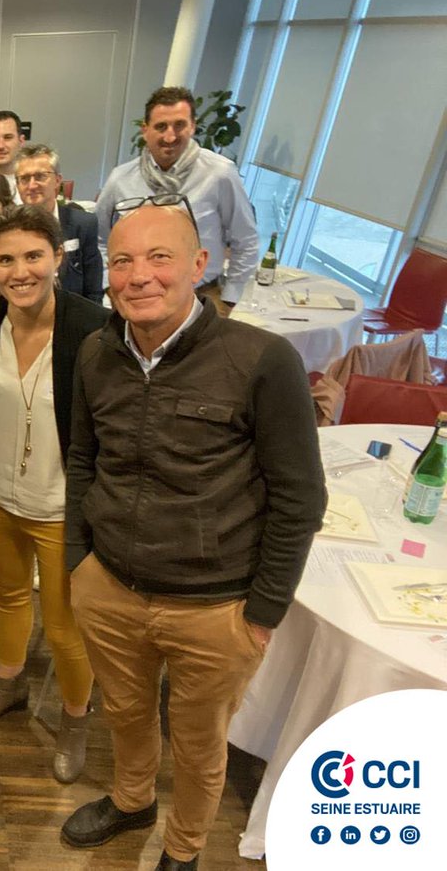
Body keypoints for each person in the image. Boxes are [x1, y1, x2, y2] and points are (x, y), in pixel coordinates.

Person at [62, 198, 325, 871]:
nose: (138, 276)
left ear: (200, 265)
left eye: (160, 257)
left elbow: (300, 496)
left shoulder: (262, 360)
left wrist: (262, 613)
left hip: (216, 607)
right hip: (111, 588)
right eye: (122, 261)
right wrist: (77, 566)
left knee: (200, 743)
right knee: (123, 712)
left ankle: (183, 850)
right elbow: (84, 461)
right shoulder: (96, 351)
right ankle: (131, 801)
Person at [0, 205, 108, 788]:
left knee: (67, 625)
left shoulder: (92, 327)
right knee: (8, 599)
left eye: (31, 256)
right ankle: (10, 682)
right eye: (4, 259)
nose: (18, 271)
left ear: (57, 258)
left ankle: (76, 718)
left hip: (61, 504)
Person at [95, 87, 258, 310]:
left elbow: (245, 238)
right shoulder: (120, 179)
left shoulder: (219, 174)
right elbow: (100, 239)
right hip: (137, 295)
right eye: (161, 126)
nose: (170, 136)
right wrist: (109, 286)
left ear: (192, 126)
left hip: (201, 297)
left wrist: (229, 297)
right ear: (145, 130)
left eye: (179, 125)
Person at [15, 144, 103, 304]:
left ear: (57, 181)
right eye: (25, 178)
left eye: (40, 176)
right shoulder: (10, 230)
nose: (32, 185)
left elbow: (94, 292)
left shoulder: (83, 225)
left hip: (76, 317)